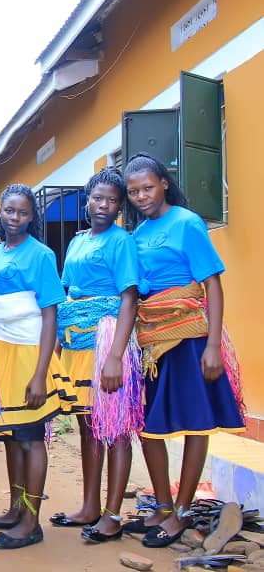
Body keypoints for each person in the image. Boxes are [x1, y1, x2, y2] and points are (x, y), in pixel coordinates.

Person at [121, 153, 245, 548]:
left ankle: (183, 512)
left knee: (195, 422)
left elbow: (213, 286)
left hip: (190, 336)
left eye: (147, 187)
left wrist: (212, 346)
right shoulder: (137, 235)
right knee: (149, 427)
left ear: (164, 183)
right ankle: (161, 504)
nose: (141, 196)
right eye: (133, 191)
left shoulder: (188, 224)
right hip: (153, 340)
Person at [0, 183, 74, 549]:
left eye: (23, 212)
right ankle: (15, 509)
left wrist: (39, 374)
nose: (15, 218)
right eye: (9, 210)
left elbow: (49, 315)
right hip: (0, 352)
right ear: (0, 211)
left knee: (31, 439)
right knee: (12, 438)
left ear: (33, 217)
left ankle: (31, 521)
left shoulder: (42, 255)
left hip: (29, 351)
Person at [48, 168, 142, 544]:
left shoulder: (122, 242)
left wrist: (116, 356)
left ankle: (113, 514)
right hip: (77, 342)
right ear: (87, 199)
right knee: (89, 425)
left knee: (115, 428)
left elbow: (130, 297)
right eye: (98, 198)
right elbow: (68, 292)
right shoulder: (77, 242)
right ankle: (89, 506)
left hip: (106, 340)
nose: (104, 205)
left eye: (113, 200)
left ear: (120, 206)